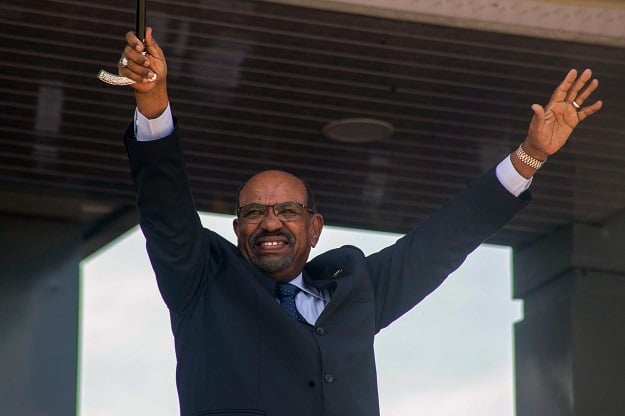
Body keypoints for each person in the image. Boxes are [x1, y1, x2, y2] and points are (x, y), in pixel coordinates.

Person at [117, 27, 602, 416]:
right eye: (254, 213)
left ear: (315, 228)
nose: (271, 223)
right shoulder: (204, 284)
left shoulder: (355, 289)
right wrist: (153, 106)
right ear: (237, 228)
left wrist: (530, 156)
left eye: (288, 211)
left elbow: (444, 240)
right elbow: (167, 213)